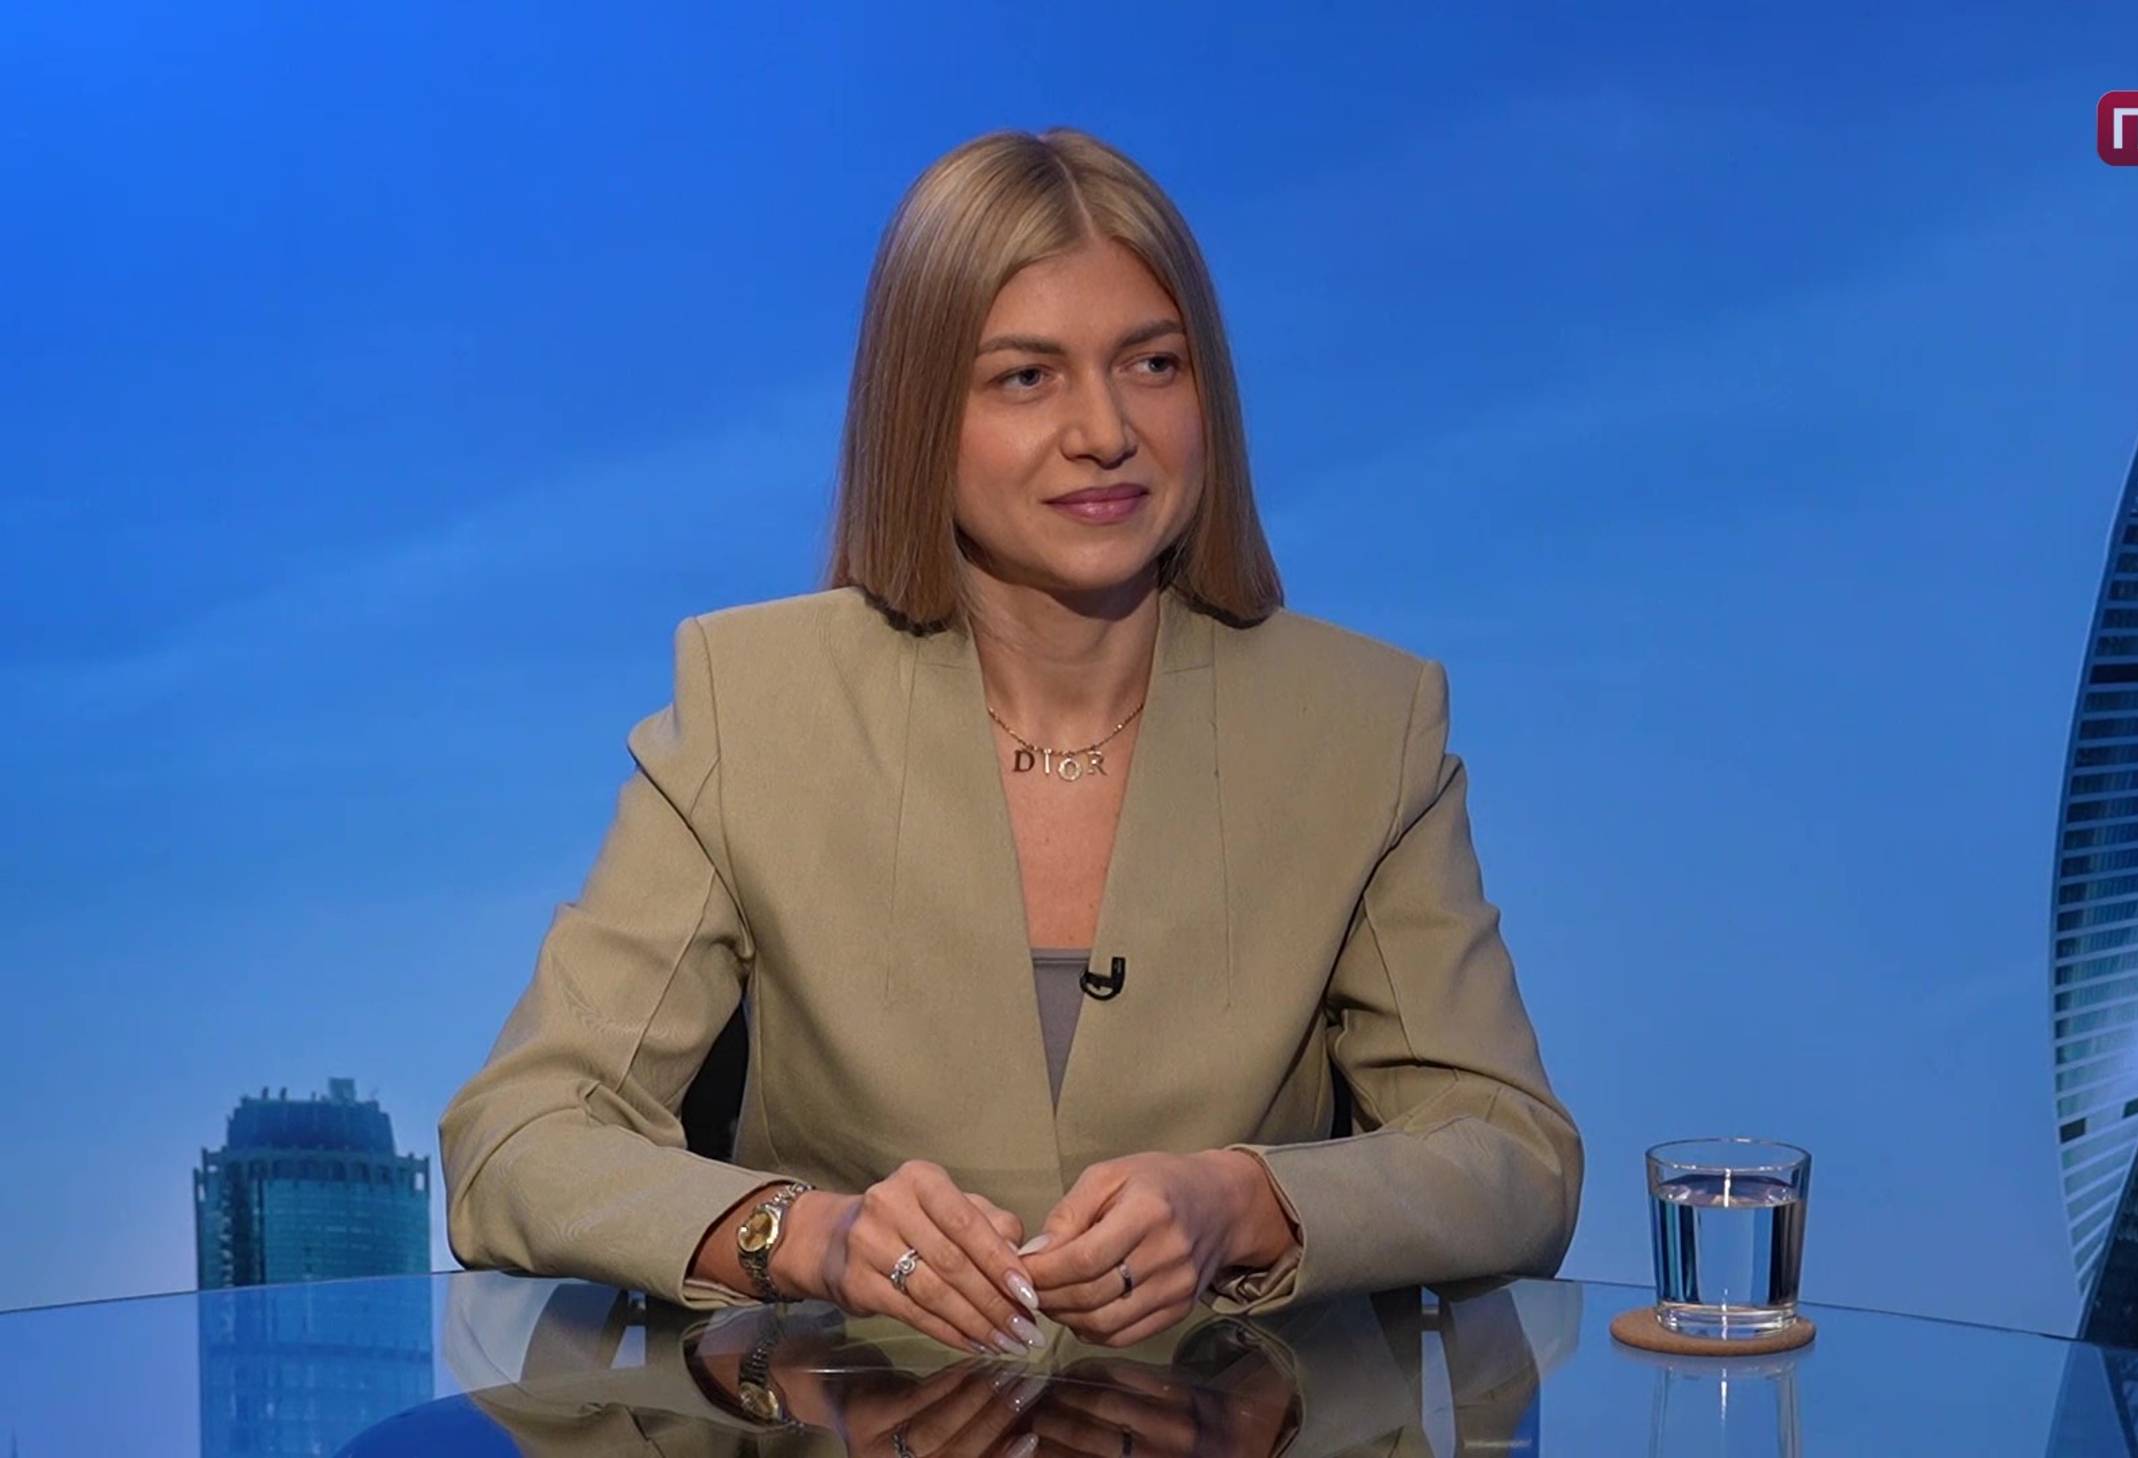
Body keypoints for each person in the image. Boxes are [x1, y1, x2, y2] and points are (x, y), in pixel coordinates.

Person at [438, 125, 1582, 1360]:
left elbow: (1514, 1157)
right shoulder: (752, 703)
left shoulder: (1363, 726)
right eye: (1027, 378)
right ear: (921, 412)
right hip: (848, 1425)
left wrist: (1245, 1203)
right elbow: (519, 1138)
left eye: (1153, 363)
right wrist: (806, 1235)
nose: (1105, 430)